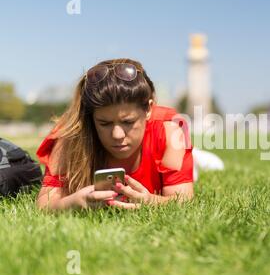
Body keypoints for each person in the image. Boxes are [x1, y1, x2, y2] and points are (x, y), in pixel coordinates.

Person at [36, 59, 194, 210]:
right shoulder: (69, 134)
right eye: (104, 123)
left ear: (148, 109)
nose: (117, 135)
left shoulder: (171, 128)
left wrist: (150, 200)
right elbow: (44, 203)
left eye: (128, 122)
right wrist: (74, 202)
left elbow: (184, 200)